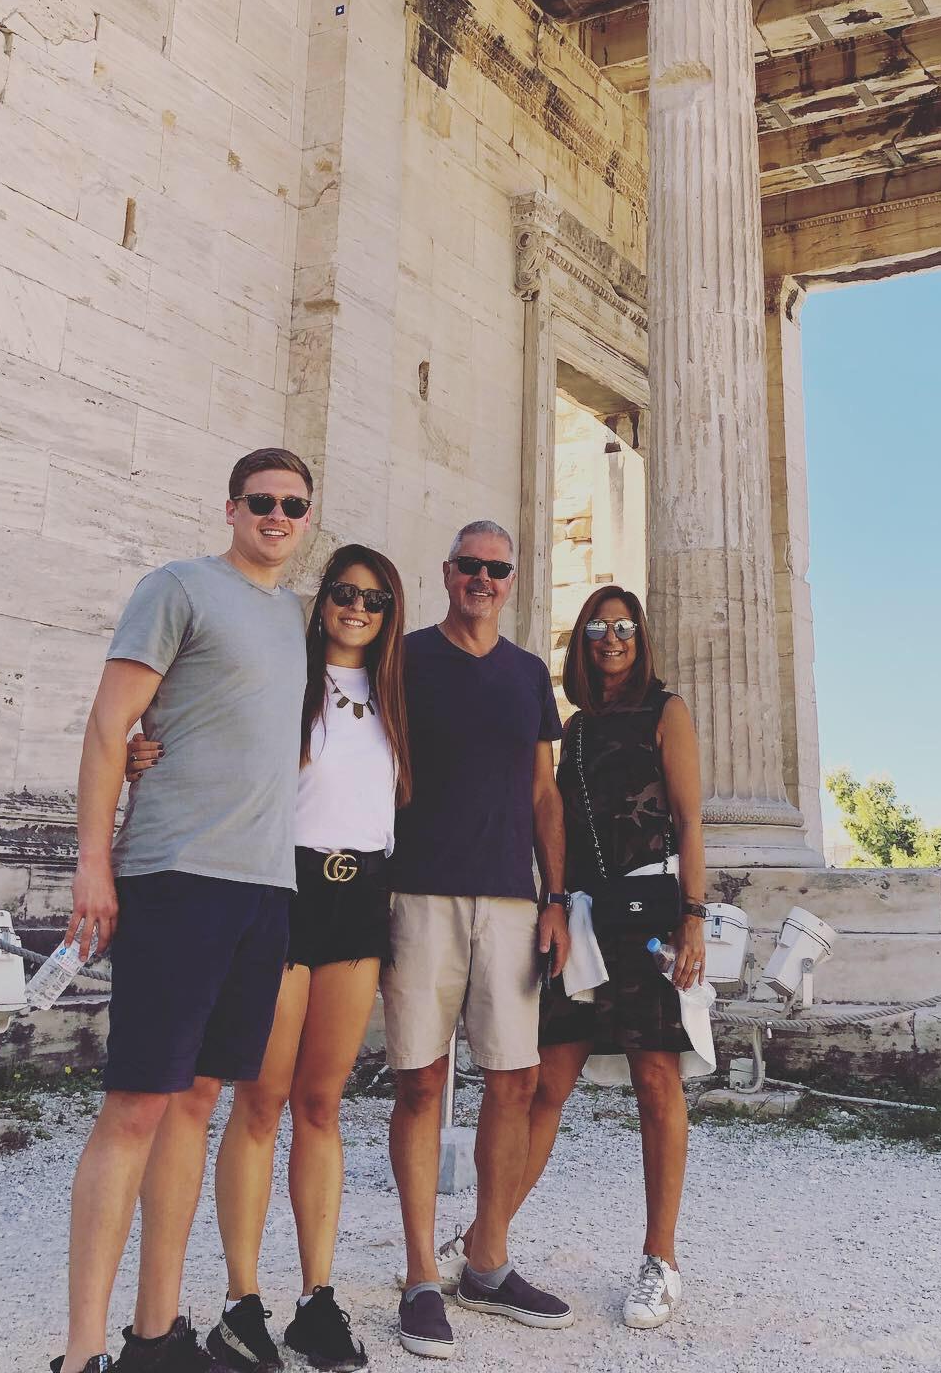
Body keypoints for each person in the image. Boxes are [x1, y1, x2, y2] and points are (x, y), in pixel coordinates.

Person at [53, 449, 314, 1373]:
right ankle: (82, 1353)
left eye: (293, 505)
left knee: (199, 1102)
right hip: (176, 872)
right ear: (233, 505)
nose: (277, 517)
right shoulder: (178, 587)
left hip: (263, 886)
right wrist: (95, 862)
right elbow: (106, 724)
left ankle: (153, 1336)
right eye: (262, 502)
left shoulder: (299, 618)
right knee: (134, 1106)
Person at [129, 546, 411, 1373]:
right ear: (322, 600)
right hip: (282, 883)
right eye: (345, 593)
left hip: (362, 894)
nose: (357, 607)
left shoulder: (398, 695)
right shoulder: (288, 669)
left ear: (391, 613)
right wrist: (152, 743)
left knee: (322, 1105)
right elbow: (211, 710)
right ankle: (240, 1303)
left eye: (375, 598)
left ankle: (318, 1299)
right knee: (262, 1098)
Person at [427, 585, 708, 1332]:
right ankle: (487, 1242)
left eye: (622, 627)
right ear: (580, 641)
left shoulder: (666, 710)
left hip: (648, 914)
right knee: (548, 1081)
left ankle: (660, 1257)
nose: (610, 639)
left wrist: (697, 918)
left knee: (655, 1079)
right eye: (595, 629)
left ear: (640, 637)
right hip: (583, 915)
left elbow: (688, 819)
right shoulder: (575, 727)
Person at [384, 520, 573, 1360]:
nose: (484, 580)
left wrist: (556, 897)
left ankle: (486, 1262)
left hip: (509, 898)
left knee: (517, 1081)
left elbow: (544, 793)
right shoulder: (406, 657)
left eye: (498, 569)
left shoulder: (531, 673)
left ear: (510, 580)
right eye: (471, 566)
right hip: (419, 890)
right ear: (448, 569)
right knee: (421, 1084)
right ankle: (425, 1274)